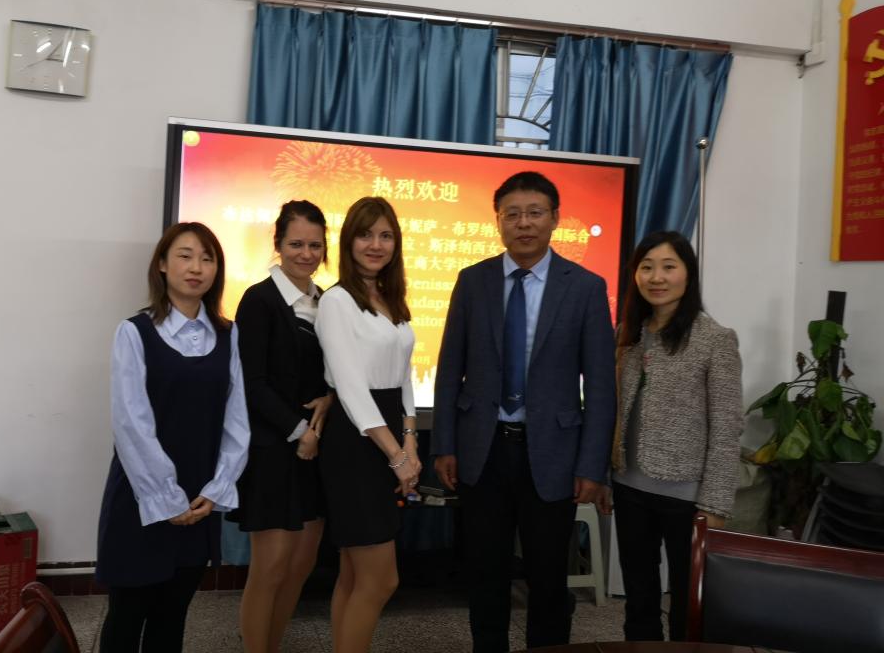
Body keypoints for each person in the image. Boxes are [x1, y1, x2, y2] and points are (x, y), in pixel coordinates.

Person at [432, 170, 616, 652]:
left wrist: (591, 466)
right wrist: (445, 444)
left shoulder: (585, 287)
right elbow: (450, 370)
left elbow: (601, 387)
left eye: (535, 213)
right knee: (485, 571)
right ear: (498, 221)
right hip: (483, 448)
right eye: (511, 214)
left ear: (555, 218)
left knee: (548, 576)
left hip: (553, 453)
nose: (524, 223)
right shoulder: (473, 281)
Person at [95, 222, 250, 653]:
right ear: (162, 265)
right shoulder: (134, 332)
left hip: (200, 499)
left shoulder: (229, 334)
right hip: (141, 497)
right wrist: (165, 497)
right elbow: (131, 423)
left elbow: (237, 420)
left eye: (207, 258)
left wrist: (217, 489)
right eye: (185, 256)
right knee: (126, 616)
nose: (196, 267)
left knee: (172, 615)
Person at [607, 230, 742, 642]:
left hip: (687, 494)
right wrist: (607, 475)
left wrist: (715, 503)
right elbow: (616, 412)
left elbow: (727, 426)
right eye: (646, 267)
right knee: (639, 596)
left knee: (689, 600)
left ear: (688, 274)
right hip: (629, 485)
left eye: (668, 266)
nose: (656, 277)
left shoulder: (715, 339)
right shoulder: (628, 334)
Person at [314, 196, 420, 653]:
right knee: (380, 580)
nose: (376, 245)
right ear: (348, 241)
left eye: (386, 235)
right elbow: (351, 388)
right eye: (365, 234)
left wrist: (410, 440)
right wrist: (396, 454)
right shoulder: (337, 301)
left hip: (389, 432)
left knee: (355, 576)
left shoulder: (392, 299)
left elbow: (405, 376)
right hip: (356, 443)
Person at [230, 200, 334, 653]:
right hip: (274, 449)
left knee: (300, 566)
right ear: (278, 244)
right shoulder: (259, 300)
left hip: (317, 451)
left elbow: (337, 371)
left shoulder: (328, 301)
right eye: (296, 244)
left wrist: (329, 400)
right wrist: (299, 431)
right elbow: (250, 382)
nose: (306, 254)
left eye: (315, 245)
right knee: (269, 568)